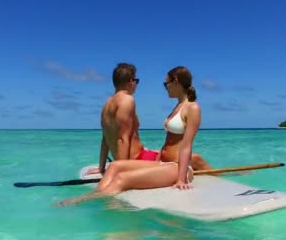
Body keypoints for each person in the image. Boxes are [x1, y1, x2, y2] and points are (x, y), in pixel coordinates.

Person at [57, 66, 209, 206]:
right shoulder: (177, 107)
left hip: (177, 167)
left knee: (122, 179)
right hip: (162, 162)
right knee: (116, 166)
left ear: (176, 82)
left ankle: (83, 200)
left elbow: (186, 145)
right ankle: (97, 196)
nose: (165, 88)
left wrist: (181, 179)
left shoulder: (193, 108)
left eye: (165, 84)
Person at [91, 62, 212, 176]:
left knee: (168, 155)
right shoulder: (127, 100)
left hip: (135, 157)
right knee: (195, 159)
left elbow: (105, 139)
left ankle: (221, 176)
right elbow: (123, 139)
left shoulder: (107, 105)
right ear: (131, 81)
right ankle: (221, 176)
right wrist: (121, 169)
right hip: (137, 159)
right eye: (136, 81)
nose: (136, 85)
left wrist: (101, 168)